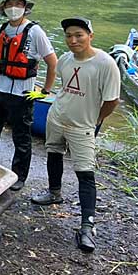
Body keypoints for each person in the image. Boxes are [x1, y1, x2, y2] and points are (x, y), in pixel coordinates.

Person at [31, 18, 120, 253]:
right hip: (57, 117)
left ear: (90, 35)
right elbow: (64, 86)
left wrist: (95, 119)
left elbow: (112, 101)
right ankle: (54, 193)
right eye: (69, 35)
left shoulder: (105, 64)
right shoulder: (65, 60)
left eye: (79, 35)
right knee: (53, 153)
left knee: (85, 172)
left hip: (83, 126)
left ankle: (87, 226)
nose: (73, 40)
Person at [0, 0, 57, 191]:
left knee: (21, 137)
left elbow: (52, 62)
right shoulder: (0, 30)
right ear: (4, 8)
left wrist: (45, 91)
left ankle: (19, 176)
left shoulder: (35, 32)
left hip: (22, 94)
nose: (13, 8)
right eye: (9, 4)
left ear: (25, 8)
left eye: (18, 4)